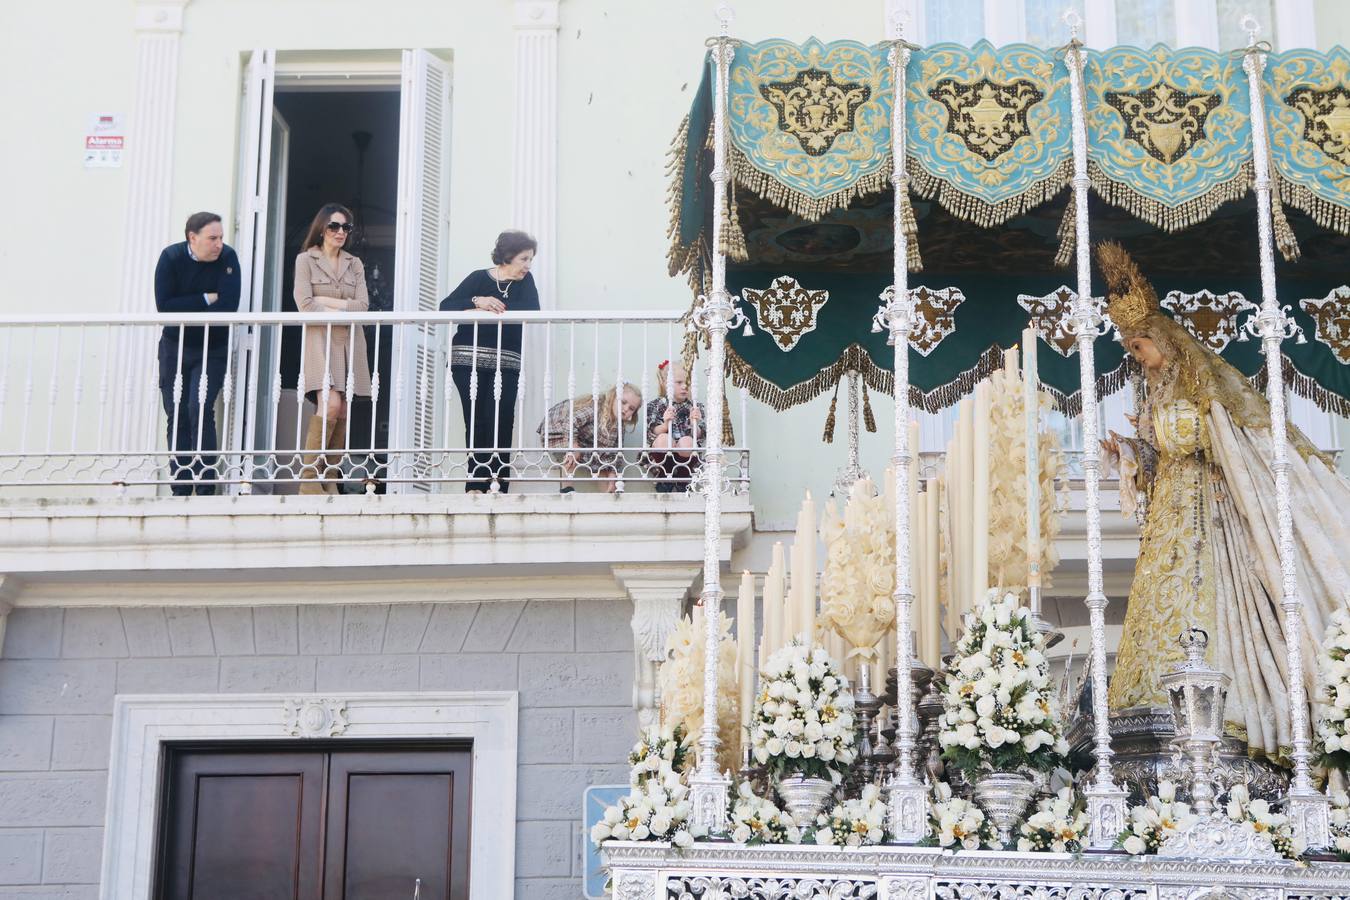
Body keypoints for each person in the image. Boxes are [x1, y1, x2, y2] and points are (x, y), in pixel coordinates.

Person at [1095, 241, 1350, 765]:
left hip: (1208, 514)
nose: (1134, 357)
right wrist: (1129, 451)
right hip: (1169, 510)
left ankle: (1225, 704)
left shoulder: (1204, 390)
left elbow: (1223, 443)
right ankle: (1152, 699)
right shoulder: (1154, 397)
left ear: (1164, 341)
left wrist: (1173, 436)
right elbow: (1159, 458)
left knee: (1206, 590)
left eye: (1139, 346)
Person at [441, 230, 540, 493]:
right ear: (508, 256)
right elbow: (446, 306)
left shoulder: (525, 283)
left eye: (530, 259)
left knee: (502, 418)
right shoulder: (478, 278)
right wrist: (477, 301)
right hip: (467, 360)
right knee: (476, 420)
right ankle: (475, 484)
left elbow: (533, 311)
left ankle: (497, 485)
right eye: (524, 259)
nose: (528, 265)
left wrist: (494, 310)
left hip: (506, 363)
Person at [154, 211, 241, 496]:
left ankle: (205, 488)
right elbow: (165, 307)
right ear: (193, 238)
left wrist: (190, 306)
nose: (219, 244)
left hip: (211, 347)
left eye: (221, 238)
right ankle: (181, 487)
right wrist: (205, 298)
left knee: (199, 408)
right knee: (176, 413)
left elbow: (228, 306)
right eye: (212, 238)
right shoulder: (170, 258)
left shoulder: (228, 259)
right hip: (174, 347)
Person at [293, 203, 372, 495]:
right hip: (320, 340)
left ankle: (330, 480)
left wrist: (327, 302)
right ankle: (310, 481)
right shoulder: (306, 260)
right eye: (334, 226)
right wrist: (342, 308)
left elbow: (362, 307)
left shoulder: (355, 264)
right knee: (331, 403)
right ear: (322, 228)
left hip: (350, 340)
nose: (340, 232)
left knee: (343, 411)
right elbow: (304, 304)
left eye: (346, 227)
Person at [538, 383, 642, 493]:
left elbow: (616, 452)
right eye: (623, 402)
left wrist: (613, 473)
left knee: (603, 463)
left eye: (631, 408)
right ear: (613, 397)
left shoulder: (619, 426)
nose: (625, 409)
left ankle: (608, 496)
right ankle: (566, 489)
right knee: (573, 452)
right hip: (559, 427)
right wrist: (573, 445)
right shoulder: (596, 407)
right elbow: (570, 423)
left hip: (583, 439)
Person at [644, 360, 704, 492]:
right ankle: (666, 476)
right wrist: (666, 424)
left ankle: (683, 478)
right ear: (666, 384)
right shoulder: (656, 404)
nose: (685, 386)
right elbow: (653, 430)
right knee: (663, 439)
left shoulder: (695, 406)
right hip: (662, 453)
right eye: (679, 383)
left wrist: (695, 424)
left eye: (687, 383)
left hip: (685, 453)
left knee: (688, 441)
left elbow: (700, 435)